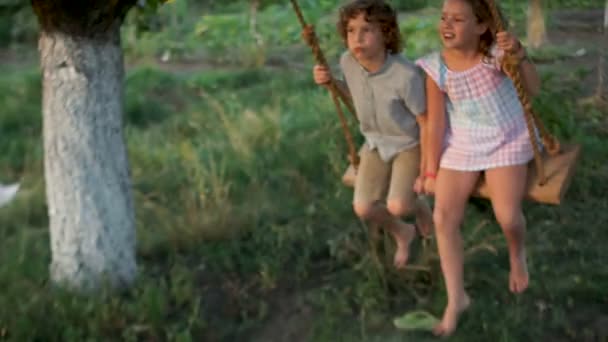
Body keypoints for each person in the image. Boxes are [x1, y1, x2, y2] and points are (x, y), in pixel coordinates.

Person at [415, 0, 541, 336]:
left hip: (506, 136)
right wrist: (429, 171)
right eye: (444, 18)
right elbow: (436, 124)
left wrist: (520, 52)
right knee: (443, 216)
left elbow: (533, 88)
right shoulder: (435, 68)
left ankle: (517, 253)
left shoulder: (494, 57)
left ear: (482, 26)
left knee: (507, 216)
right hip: (465, 142)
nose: (447, 25)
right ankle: (456, 298)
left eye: (458, 19)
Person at [305, 0, 433, 269]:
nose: (357, 39)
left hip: (408, 143)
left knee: (398, 204)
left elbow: (425, 121)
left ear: (386, 33)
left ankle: (419, 207)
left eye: (366, 30)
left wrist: (426, 168)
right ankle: (403, 232)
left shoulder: (405, 75)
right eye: (351, 31)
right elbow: (354, 98)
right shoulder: (348, 62)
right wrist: (332, 83)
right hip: (375, 142)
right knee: (363, 208)